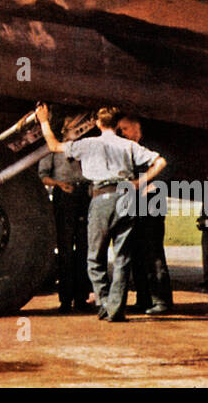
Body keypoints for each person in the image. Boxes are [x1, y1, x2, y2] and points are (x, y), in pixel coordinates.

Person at [36, 103, 166, 322]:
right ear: (117, 125)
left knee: (94, 256)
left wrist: (43, 121)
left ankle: (105, 303)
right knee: (123, 256)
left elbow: (54, 145)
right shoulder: (128, 146)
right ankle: (116, 307)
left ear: (97, 123)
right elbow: (160, 161)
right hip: (126, 196)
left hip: (101, 197)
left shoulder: (88, 144)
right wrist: (139, 181)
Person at [118, 114, 173, 314]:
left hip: (152, 204)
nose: (122, 133)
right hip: (136, 204)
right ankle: (144, 298)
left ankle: (162, 301)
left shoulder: (152, 148)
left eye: (124, 128)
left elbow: (166, 170)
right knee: (137, 253)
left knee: (153, 252)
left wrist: (144, 184)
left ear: (136, 126)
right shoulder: (130, 148)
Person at [38, 120, 92, 313]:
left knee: (84, 247)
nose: (77, 132)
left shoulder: (86, 148)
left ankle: (81, 298)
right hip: (65, 197)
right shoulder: (53, 150)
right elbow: (42, 175)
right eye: (73, 128)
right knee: (65, 249)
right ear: (64, 130)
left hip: (85, 194)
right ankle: (66, 299)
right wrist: (59, 184)